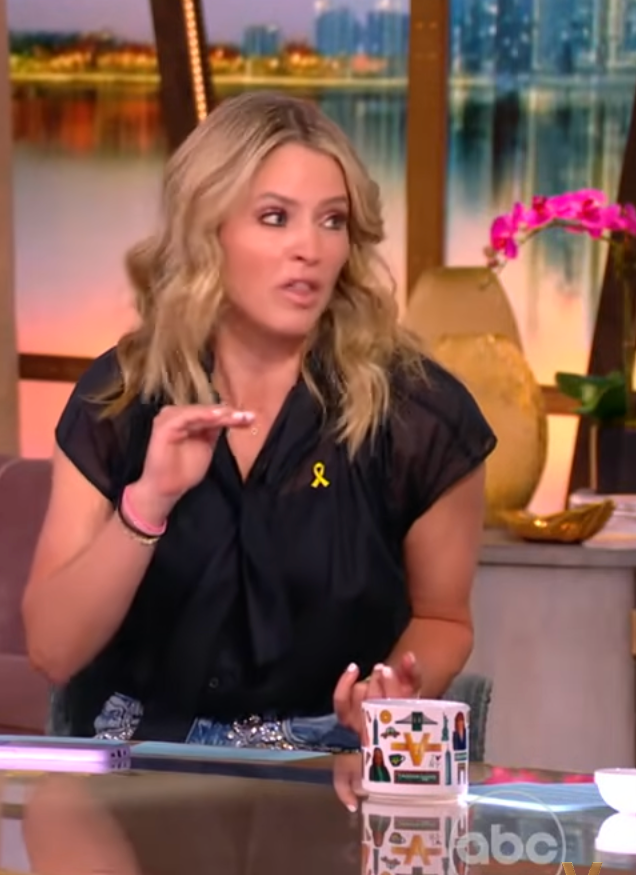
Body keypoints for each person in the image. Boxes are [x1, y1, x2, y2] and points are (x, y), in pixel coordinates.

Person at [24, 92, 494, 750]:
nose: (310, 248)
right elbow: (52, 650)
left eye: (332, 221)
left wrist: (389, 697)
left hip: (329, 761)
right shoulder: (121, 397)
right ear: (208, 230)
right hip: (137, 757)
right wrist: (147, 505)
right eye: (276, 218)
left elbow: (443, 619)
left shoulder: (420, 415)